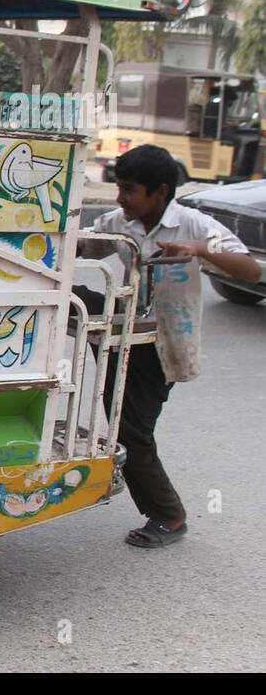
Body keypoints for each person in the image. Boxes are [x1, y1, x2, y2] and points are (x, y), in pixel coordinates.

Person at [79, 144, 260, 548]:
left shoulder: (194, 225)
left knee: (132, 430)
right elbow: (84, 246)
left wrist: (199, 250)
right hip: (125, 335)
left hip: (163, 347)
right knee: (73, 301)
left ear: (160, 192)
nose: (120, 198)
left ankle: (170, 516)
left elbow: (250, 269)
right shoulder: (121, 222)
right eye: (119, 189)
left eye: (129, 190)